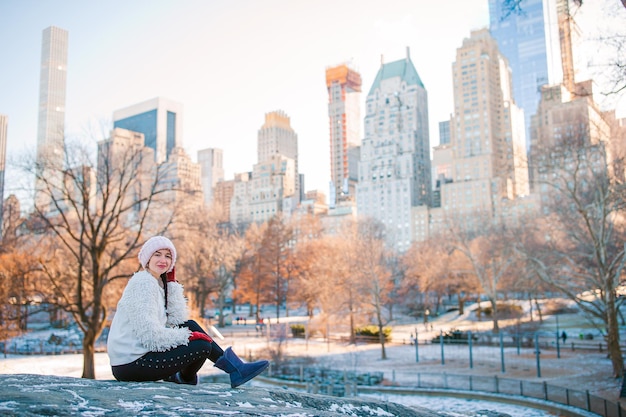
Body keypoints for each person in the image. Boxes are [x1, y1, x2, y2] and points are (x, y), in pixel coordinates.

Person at [107, 236, 269, 387]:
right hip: (131, 364)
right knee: (202, 345)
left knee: (190, 325)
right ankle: (187, 378)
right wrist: (188, 337)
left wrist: (172, 286)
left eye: (168, 256)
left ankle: (235, 368)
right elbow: (151, 336)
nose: (163, 260)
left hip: (137, 360)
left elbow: (176, 321)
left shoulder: (157, 284)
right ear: (147, 259)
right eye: (157, 255)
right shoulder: (143, 283)